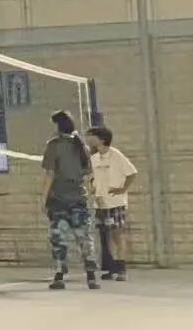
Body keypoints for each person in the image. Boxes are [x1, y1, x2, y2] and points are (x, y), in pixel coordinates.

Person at [42, 110, 98, 290]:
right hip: (79, 198)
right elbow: (89, 175)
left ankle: (59, 275)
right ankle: (91, 276)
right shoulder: (81, 146)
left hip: (59, 198)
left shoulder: (53, 145)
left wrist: (43, 198)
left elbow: (50, 174)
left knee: (58, 237)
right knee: (84, 237)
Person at [87, 125, 139, 281]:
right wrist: (93, 189)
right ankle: (112, 267)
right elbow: (93, 178)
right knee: (107, 236)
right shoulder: (94, 158)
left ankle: (122, 268)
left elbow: (132, 172)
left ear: (102, 139)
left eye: (91, 136)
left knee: (117, 234)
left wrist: (123, 189)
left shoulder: (116, 155)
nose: (88, 139)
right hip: (100, 203)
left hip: (115, 202)